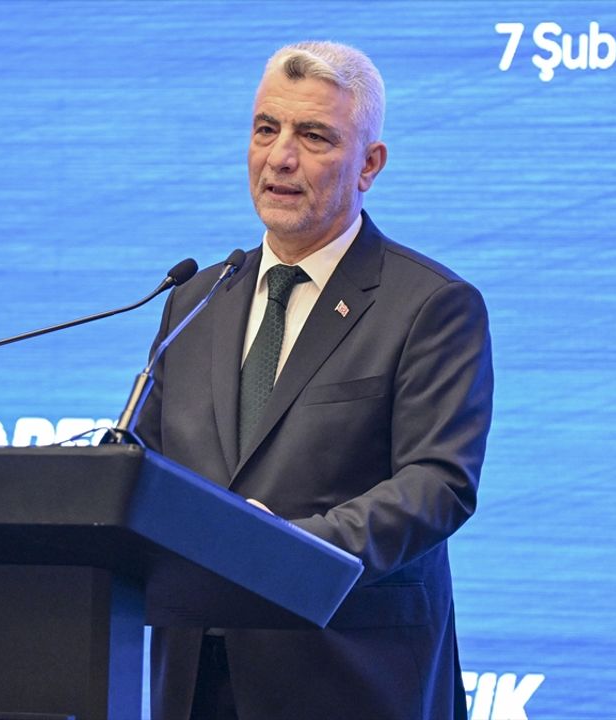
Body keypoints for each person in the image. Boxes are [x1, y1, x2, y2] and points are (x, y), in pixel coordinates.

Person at [135, 40, 494, 720]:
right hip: (192, 677)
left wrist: (292, 551)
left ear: (370, 165)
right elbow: (144, 465)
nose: (280, 157)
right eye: (265, 129)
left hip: (349, 678)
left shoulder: (429, 305)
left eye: (314, 136)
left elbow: (437, 484)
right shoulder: (197, 299)